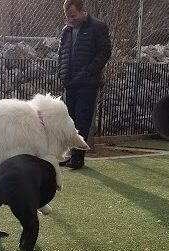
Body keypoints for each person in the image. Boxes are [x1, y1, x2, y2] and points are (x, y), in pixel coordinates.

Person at [57, 0, 111, 170]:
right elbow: (61, 54)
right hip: (70, 82)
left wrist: (89, 71)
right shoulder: (66, 30)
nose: (70, 19)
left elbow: (105, 52)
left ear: (82, 11)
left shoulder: (98, 27)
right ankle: (70, 155)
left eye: (73, 16)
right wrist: (62, 73)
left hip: (88, 83)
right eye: (68, 16)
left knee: (82, 119)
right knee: (70, 120)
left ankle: (78, 157)